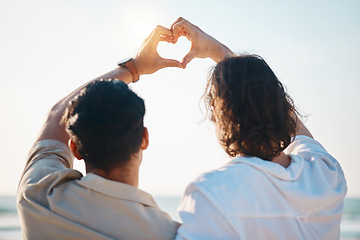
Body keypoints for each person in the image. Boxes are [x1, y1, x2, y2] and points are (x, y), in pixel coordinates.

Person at [170, 18, 347, 240]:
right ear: (282, 105)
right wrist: (219, 52)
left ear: (218, 116)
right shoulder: (325, 173)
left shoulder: (211, 195)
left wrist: (132, 68)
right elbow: (292, 122)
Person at [17, 25, 182, 239]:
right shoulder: (168, 233)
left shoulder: (38, 198)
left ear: (74, 148)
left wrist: (134, 68)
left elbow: (58, 115)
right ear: (144, 139)